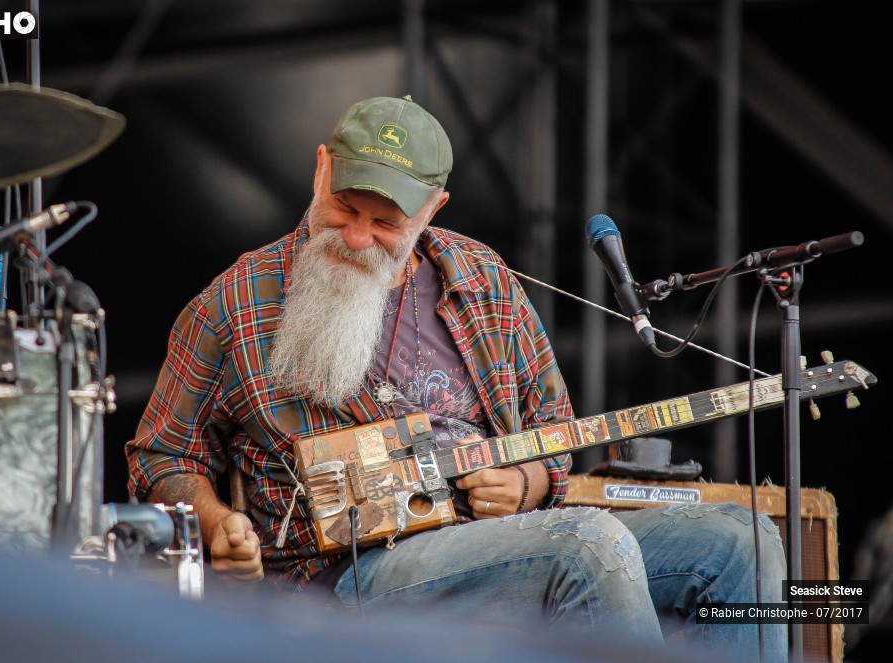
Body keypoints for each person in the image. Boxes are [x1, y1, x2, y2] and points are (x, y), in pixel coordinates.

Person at [126, 95, 787, 659]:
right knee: (587, 541)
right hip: (345, 574)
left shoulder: (483, 278)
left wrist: (529, 480)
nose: (357, 237)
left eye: (387, 222)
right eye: (346, 208)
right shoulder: (232, 304)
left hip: (502, 539)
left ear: (432, 207)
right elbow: (161, 452)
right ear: (321, 168)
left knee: (742, 542)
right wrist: (214, 522)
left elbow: (555, 424)